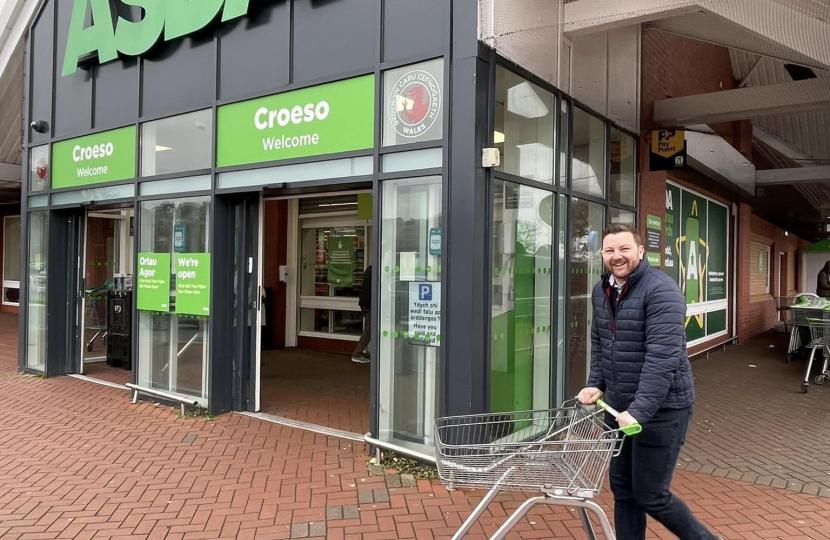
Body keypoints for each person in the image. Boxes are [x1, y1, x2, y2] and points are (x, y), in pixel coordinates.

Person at [578, 224, 724, 540]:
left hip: (660, 412)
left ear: (641, 251)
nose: (617, 256)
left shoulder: (662, 291)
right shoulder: (601, 290)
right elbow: (600, 341)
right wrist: (596, 383)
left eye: (624, 249)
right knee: (623, 489)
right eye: (609, 250)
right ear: (602, 254)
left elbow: (664, 358)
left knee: (651, 495)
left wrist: (639, 410)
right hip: (617, 409)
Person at [351, 265, 372, 363]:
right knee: (370, 328)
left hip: (366, 303)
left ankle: (359, 353)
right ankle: (357, 354)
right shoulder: (377, 269)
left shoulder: (371, 268)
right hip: (369, 304)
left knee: (370, 327)